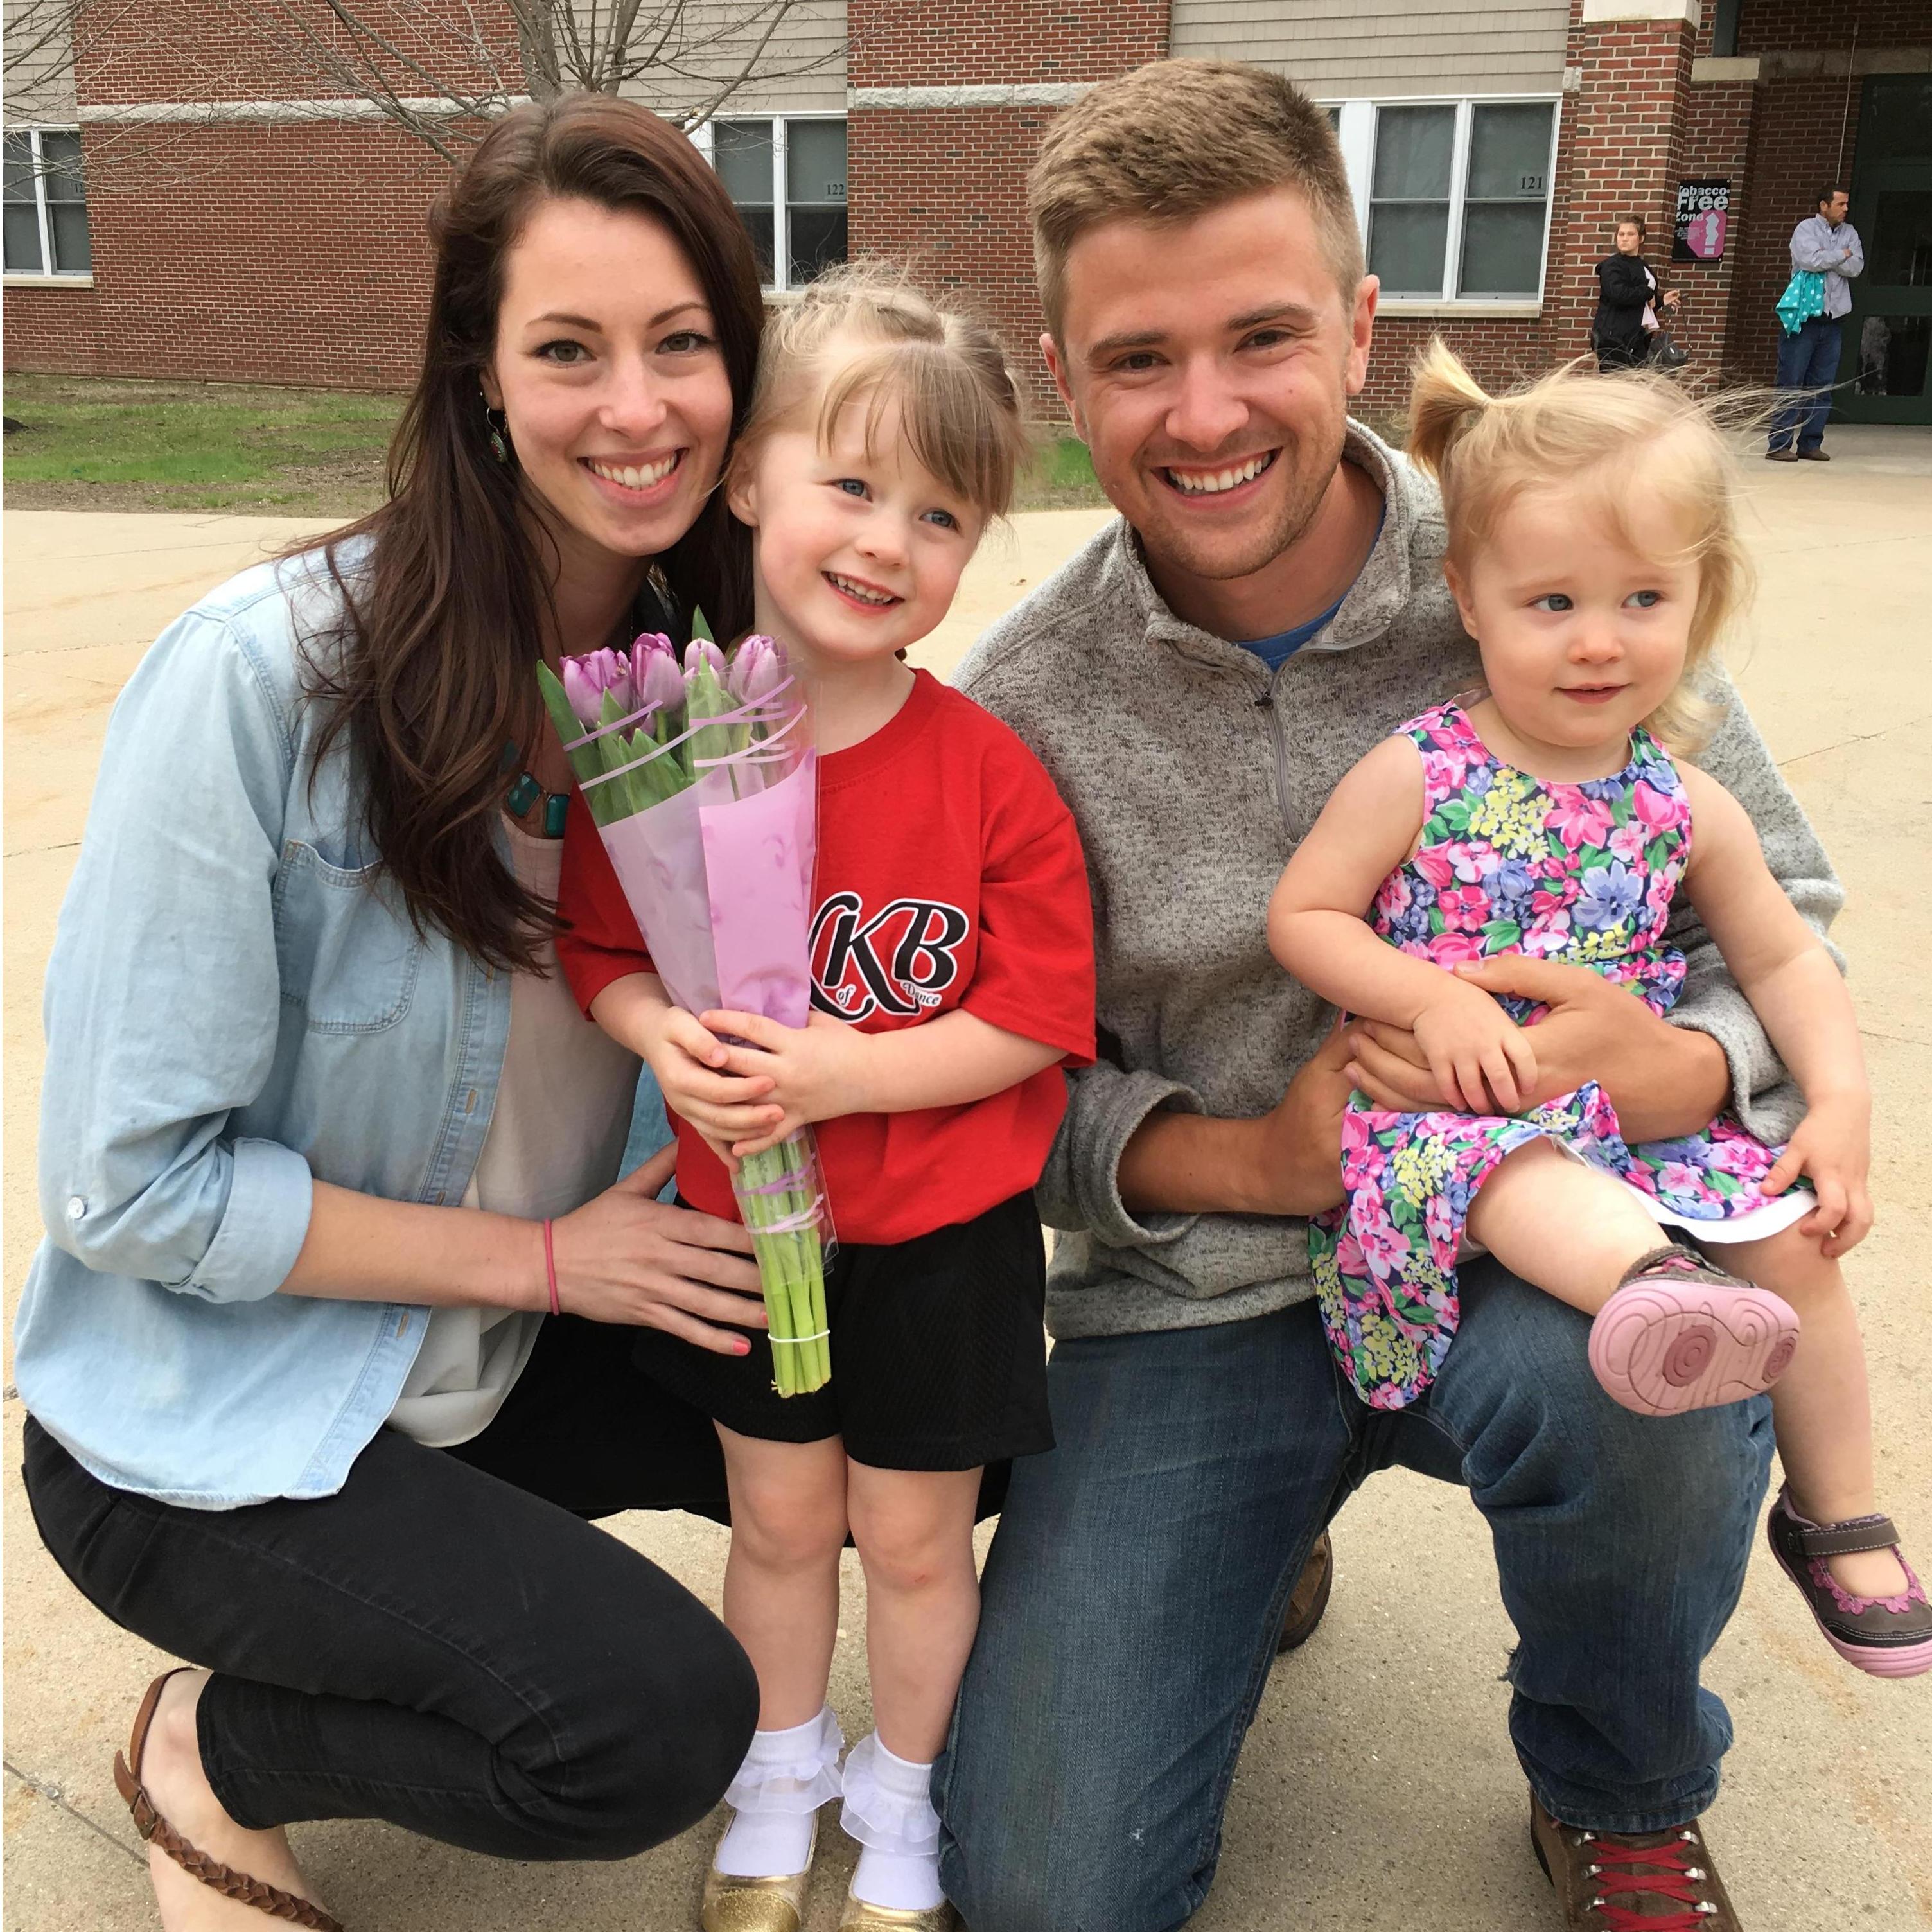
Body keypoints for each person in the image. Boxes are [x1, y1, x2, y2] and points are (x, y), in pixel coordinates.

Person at [936, 59, 1847, 1932]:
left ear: (1357, 327)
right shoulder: (1019, 709)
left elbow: (1782, 906)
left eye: (1261, 336)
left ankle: (1616, 1783)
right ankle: (1249, 1535)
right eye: (1137, 358)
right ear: (1058, 375)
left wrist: (1688, 1064)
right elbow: (988, 1087)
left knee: (1666, 1369)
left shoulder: (1551, 557)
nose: (1204, 413)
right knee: (1043, 1890)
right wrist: (1238, 1160)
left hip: (1543, 1245)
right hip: (1195, 1303)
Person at [15, 96, 795, 1932]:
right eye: (569, 350)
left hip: (527, 1341)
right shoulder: (265, 679)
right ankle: (213, 1745)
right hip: (226, 1420)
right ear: (478, 377)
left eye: (682, 343)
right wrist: (553, 1266)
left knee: (949, 1418)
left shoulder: (716, 685)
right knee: (649, 1727)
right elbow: (131, 1185)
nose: (638, 407)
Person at [554, 269, 1096, 1931]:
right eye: (850, 484)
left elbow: (1036, 1016)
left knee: (918, 1545)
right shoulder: (666, 751)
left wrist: (843, 1071)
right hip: (743, 1233)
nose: (886, 542)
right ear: (745, 481)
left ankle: (903, 1793)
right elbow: (599, 948)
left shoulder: (986, 770)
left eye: (939, 515)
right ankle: (779, 1777)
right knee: (781, 1525)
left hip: (944, 1239)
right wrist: (662, 1038)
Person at [1269, 342, 1926, 1674]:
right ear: (1467, 599)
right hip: (1454, 1110)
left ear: (1698, 600)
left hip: (1629, 1109)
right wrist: (1427, 999)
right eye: (1551, 600)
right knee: (1521, 1174)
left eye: (1642, 598)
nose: (1596, 638)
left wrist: (1839, 1101)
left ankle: (1836, 1509)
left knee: (1792, 1232)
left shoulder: (1685, 797)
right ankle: (1656, 1288)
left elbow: (1784, 958)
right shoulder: (1420, 769)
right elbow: (1307, 915)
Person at [1768, 185, 1863, 461]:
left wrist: (1829, 257)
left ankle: (1810, 444)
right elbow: (1810, 261)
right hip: (1804, 319)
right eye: (1840, 204)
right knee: (1791, 382)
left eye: (1847, 204)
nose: (1846, 209)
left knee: (1822, 386)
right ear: (1824, 206)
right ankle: (1779, 445)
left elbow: (1856, 267)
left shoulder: (1851, 233)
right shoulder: (1805, 229)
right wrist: (1842, 254)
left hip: (1833, 319)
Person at [1592, 214, 1679, 371]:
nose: (1624, 239)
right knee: (1616, 383)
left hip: (1638, 337)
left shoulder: (1643, 266)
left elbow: (1643, 302)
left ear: (1641, 238)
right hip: (1614, 338)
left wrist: (1661, 301)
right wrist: (1648, 292)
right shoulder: (1612, 266)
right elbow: (1618, 294)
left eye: (1630, 234)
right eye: (1621, 234)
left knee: (1637, 382)